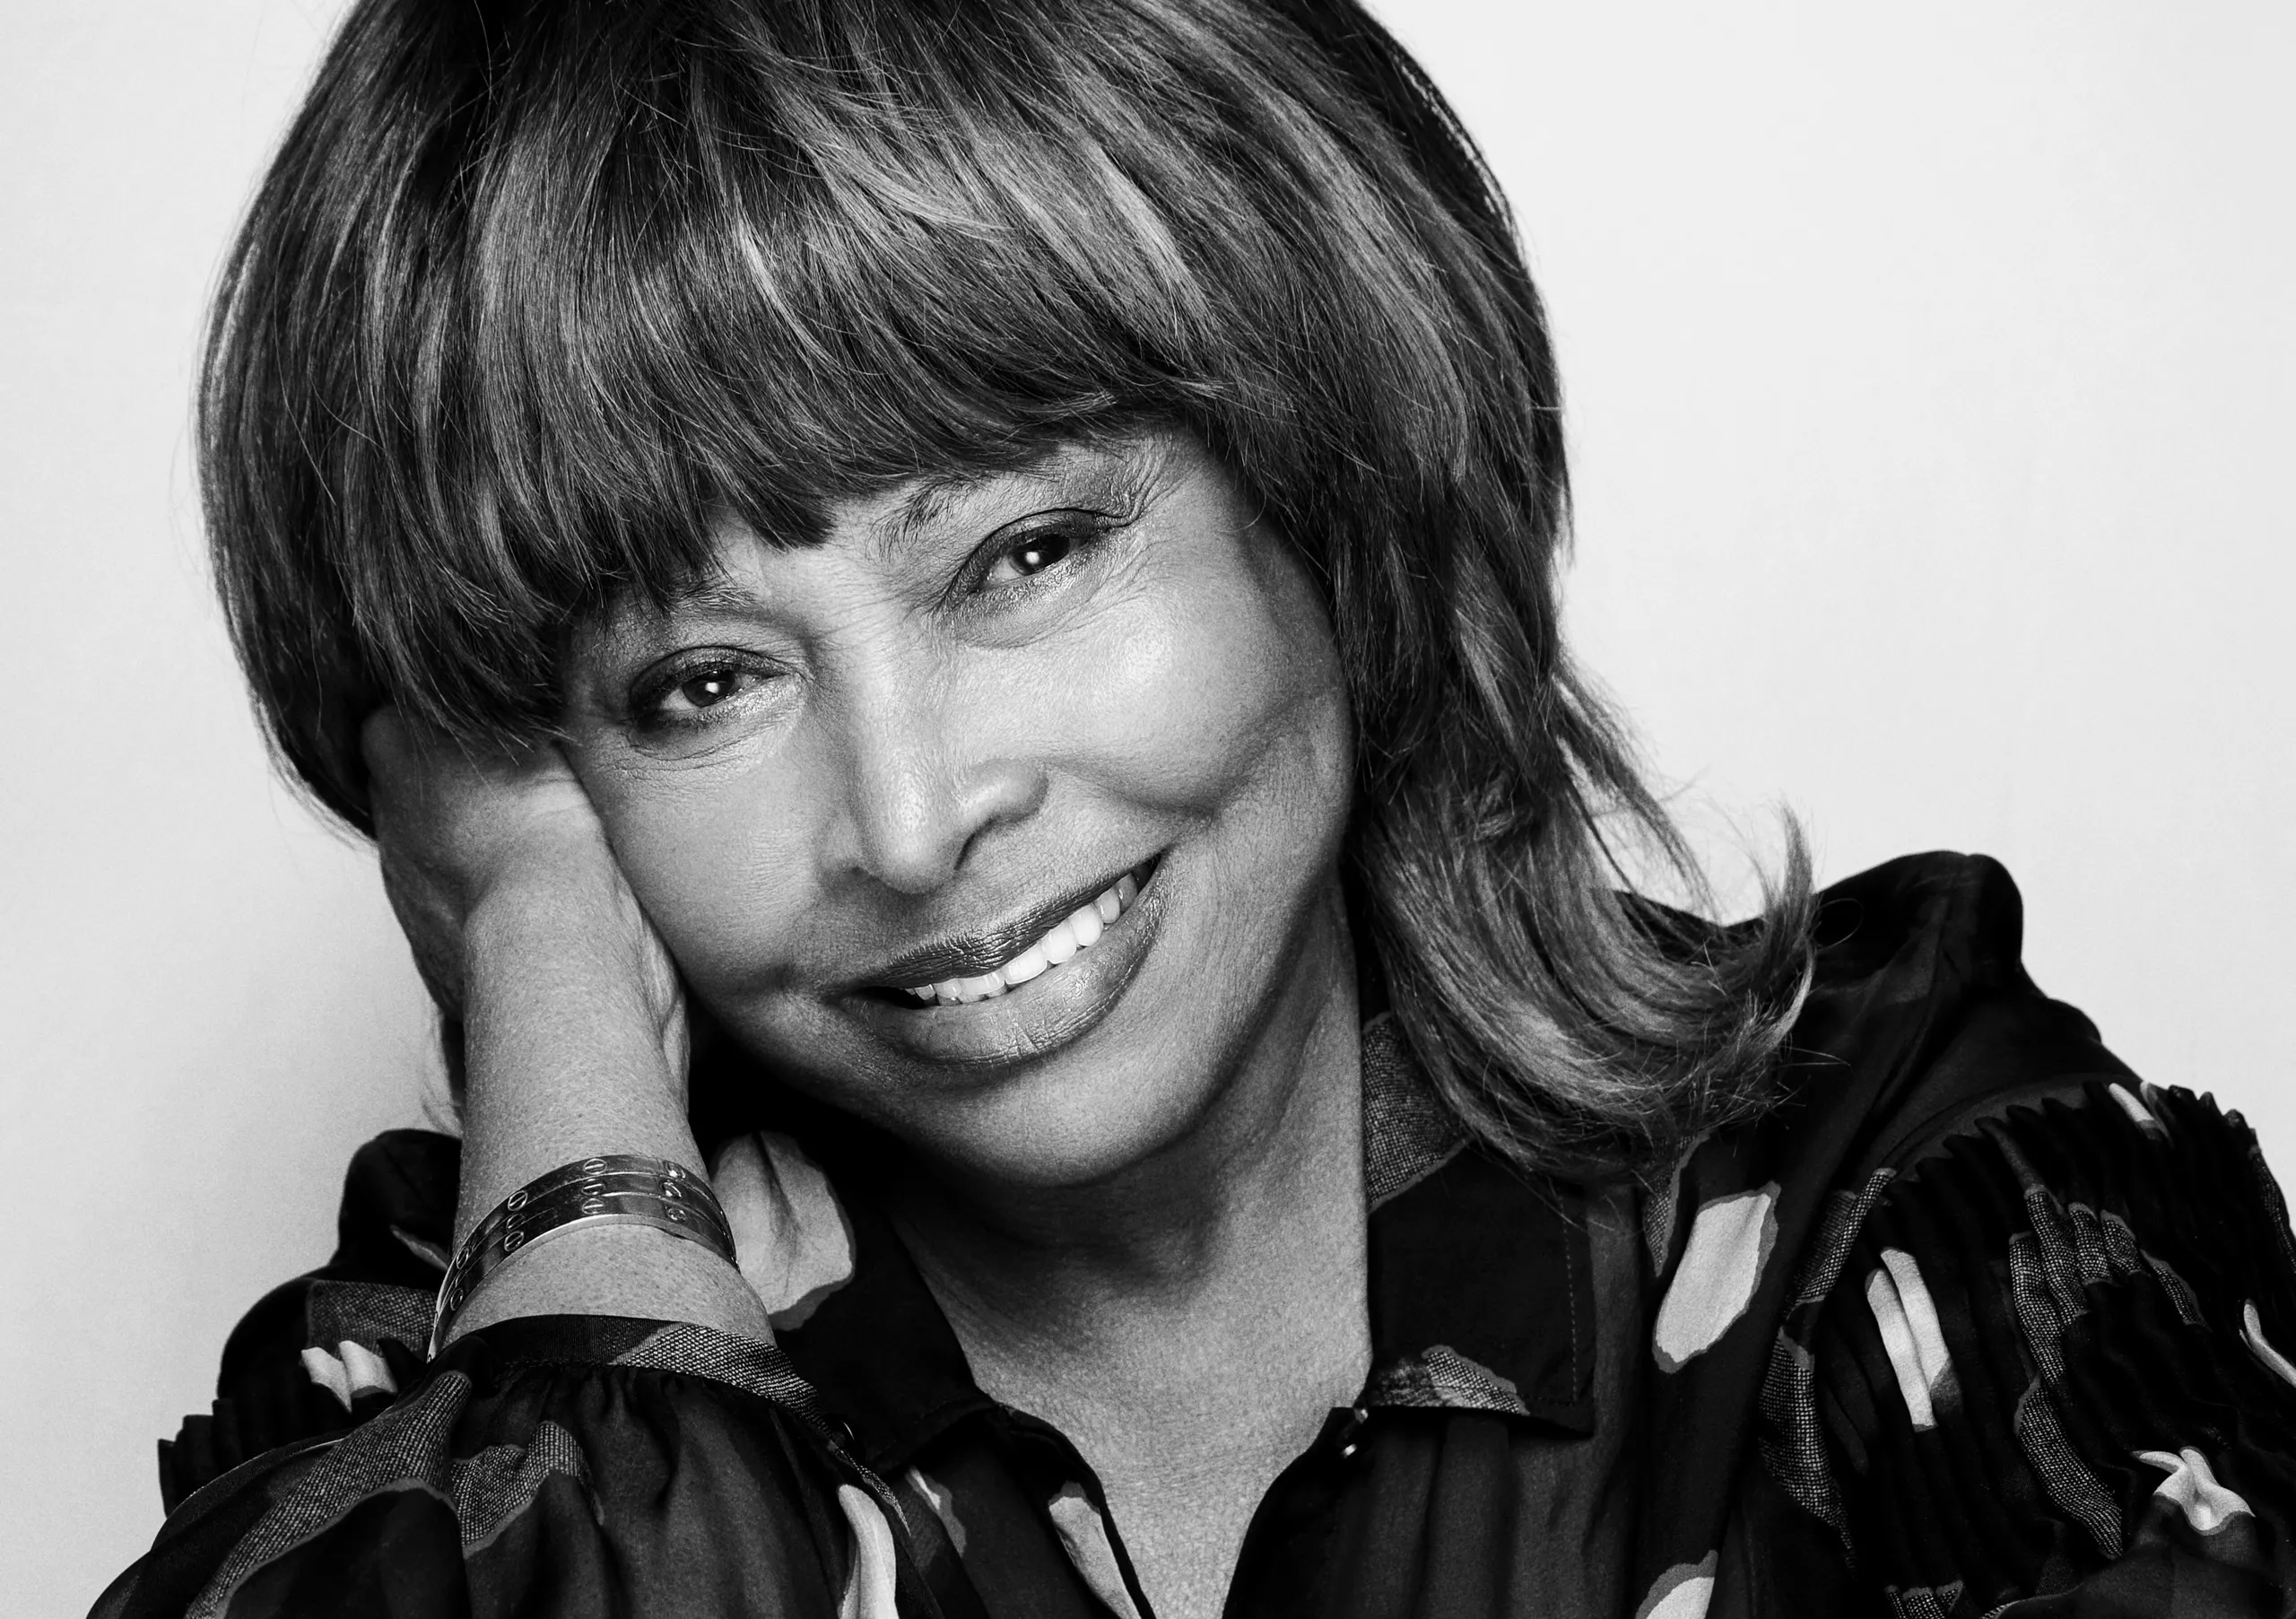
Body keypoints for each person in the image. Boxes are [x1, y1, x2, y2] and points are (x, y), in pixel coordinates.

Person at [93, 0, 2296, 1615]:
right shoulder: (440, 1405)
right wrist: (552, 1016)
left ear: (1336, 493)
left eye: (1023, 554)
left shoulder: (1915, 1211)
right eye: (699, 684)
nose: (911, 818)